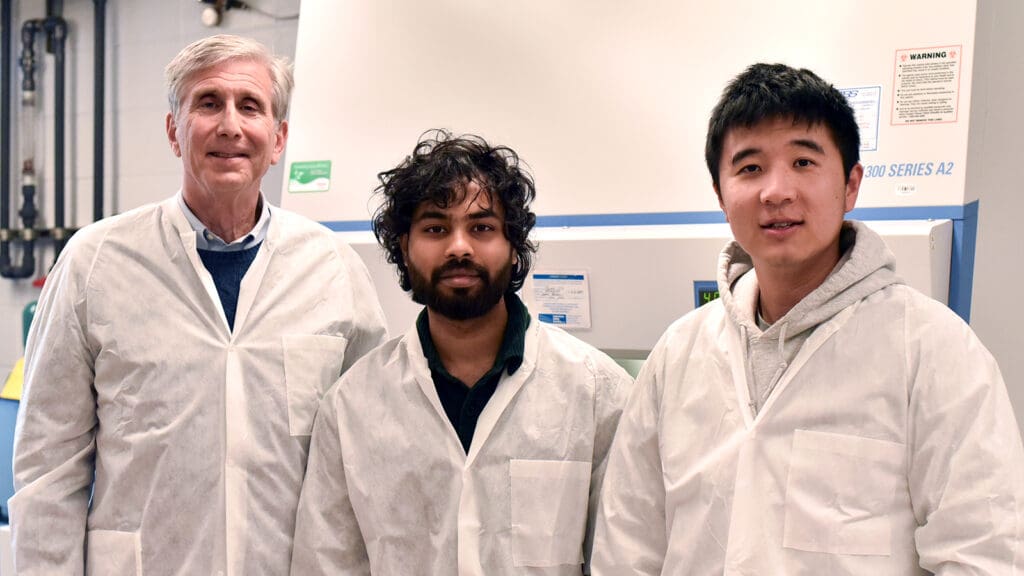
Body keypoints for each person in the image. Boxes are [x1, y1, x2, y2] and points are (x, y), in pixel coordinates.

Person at [592, 63, 1024, 574]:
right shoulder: (678, 353)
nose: (776, 191)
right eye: (750, 168)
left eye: (803, 161)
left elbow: (982, 553)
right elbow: (629, 544)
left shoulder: (933, 348)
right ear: (720, 194)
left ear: (850, 185)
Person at [10, 34, 387, 575]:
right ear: (173, 131)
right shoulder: (94, 263)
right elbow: (49, 468)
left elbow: (369, 456)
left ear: (277, 139)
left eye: (250, 106)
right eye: (208, 103)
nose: (230, 125)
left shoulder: (333, 269)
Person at [289, 130, 633, 575]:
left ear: (513, 250)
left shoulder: (597, 393)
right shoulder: (351, 405)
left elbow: (625, 558)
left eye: (482, 228)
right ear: (404, 251)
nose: (459, 246)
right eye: (435, 228)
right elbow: (326, 563)